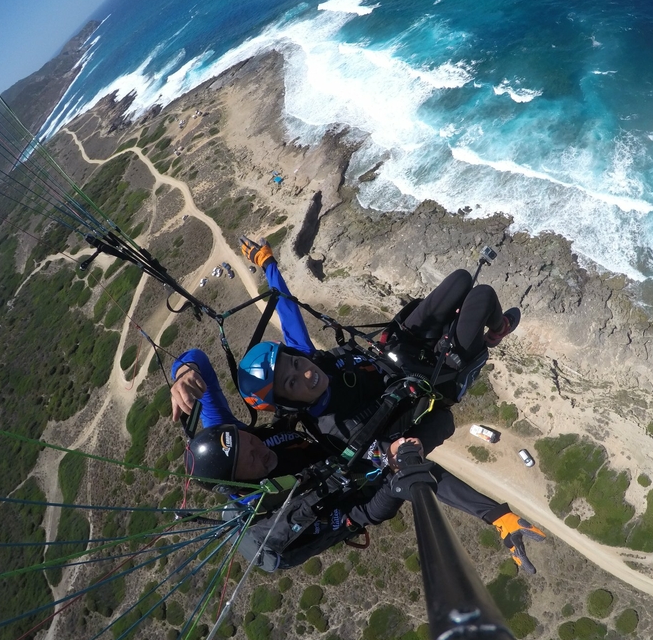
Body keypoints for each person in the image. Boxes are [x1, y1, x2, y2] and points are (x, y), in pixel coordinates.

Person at [169, 239, 543, 572]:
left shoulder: (233, 436)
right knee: (481, 299)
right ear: (240, 482)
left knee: (463, 278)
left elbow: (284, 318)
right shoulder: (289, 495)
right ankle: (490, 336)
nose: (258, 446)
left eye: (250, 440)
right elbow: (404, 480)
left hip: (393, 361)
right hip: (414, 397)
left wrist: (182, 371)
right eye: (251, 459)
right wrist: (496, 514)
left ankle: (494, 329)